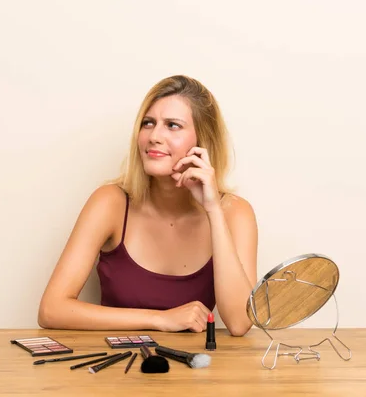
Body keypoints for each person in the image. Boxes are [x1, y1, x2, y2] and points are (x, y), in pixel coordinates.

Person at [38, 75, 257, 336]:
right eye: (148, 123)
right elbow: (51, 310)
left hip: (196, 371)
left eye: (173, 126)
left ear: (203, 141)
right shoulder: (110, 203)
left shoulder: (235, 213)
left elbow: (240, 323)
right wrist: (160, 319)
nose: (154, 136)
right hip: (116, 368)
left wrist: (213, 210)